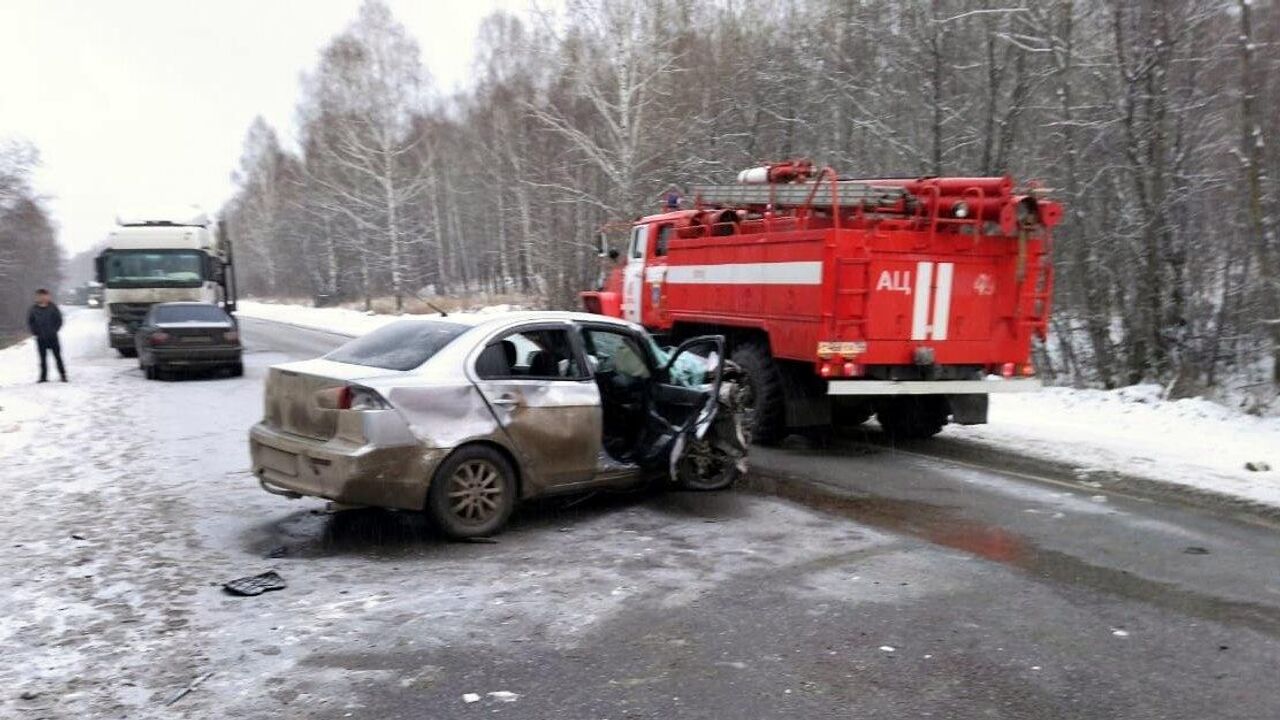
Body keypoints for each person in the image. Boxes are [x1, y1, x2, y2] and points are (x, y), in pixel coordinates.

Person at [27, 288, 67, 383]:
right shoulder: (33, 309)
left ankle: (63, 375)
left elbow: (59, 320)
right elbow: (30, 322)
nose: (42, 298)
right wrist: (35, 332)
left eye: (44, 296)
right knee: (42, 359)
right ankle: (43, 377)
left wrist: (54, 330)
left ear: (48, 296)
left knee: (57, 357)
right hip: (40, 338)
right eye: (40, 296)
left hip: (52, 337)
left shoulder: (53, 307)